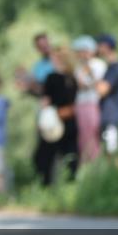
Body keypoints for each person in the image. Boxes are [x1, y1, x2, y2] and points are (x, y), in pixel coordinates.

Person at [34, 46, 79, 185]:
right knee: (70, 158)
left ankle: (45, 186)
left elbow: (45, 102)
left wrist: (42, 121)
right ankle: (70, 186)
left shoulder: (52, 78)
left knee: (42, 158)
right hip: (70, 122)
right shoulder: (73, 78)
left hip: (54, 124)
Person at [71, 35, 106, 163]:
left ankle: (96, 160)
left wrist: (89, 72)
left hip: (94, 103)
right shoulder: (78, 68)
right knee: (83, 134)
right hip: (81, 103)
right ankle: (86, 161)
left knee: (94, 132)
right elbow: (80, 85)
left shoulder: (99, 64)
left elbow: (99, 84)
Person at [96, 33, 118, 155]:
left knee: (111, 152)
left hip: (111, 116)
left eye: (100, 45)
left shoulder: (116, 68)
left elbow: (102, 90)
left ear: (106, 46)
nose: (98, 48)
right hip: (108, 115)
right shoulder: (111, 67)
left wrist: (90, 76)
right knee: (107, 151)